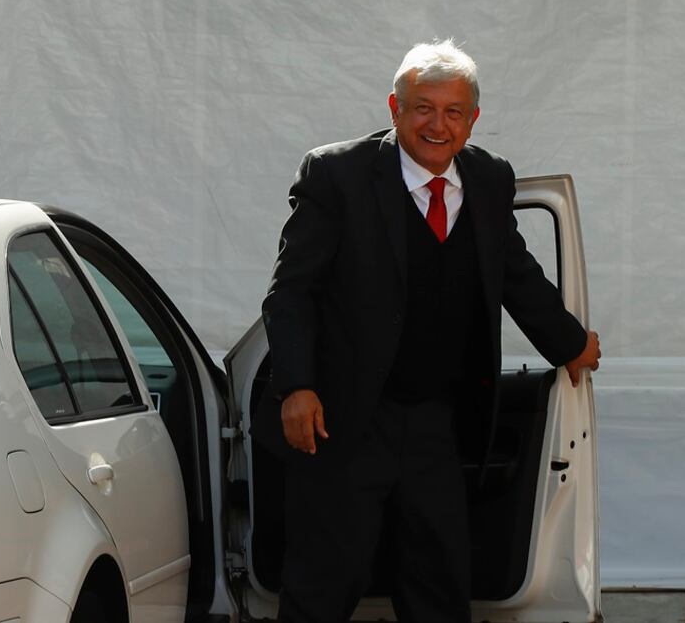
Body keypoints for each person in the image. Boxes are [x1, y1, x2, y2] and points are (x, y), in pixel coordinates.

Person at [254, 39, 602, 623]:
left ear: (472, 119)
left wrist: (570, 343)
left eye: (453, 112)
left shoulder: (490, 180)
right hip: (342, 419)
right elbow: (291, 292)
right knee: (324, 581)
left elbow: (514, 271)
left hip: (437, 421)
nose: (437, 125)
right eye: (422, 107)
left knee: (440, 584)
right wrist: (296, 386)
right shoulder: (336, 175)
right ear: (395, 109)